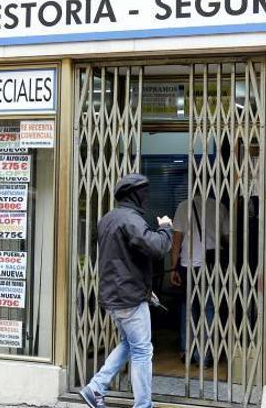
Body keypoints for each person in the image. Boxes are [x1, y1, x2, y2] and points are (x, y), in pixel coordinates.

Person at [79, 174, 173, 408]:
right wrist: (166, 228)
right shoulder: (131, 220)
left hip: (115, 296)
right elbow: (157, 248)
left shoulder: (108, 219)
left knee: (129, 344)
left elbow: (124, 259)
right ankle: (143, 405)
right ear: (135, 195)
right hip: (129, 298)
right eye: (144, 193)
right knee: (143, 351)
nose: (146, 197)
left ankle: (95, 387)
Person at [169, 195, 229, 364]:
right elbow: (227, 237)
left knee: (188, 309)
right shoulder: (219, 207)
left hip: (189, 265)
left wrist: (173, 267)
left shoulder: (183, 206)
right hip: (211, 266)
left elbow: (176, 242)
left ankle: (187, 352)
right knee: (209, 309)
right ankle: (205, 356)